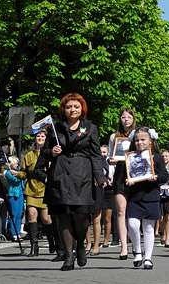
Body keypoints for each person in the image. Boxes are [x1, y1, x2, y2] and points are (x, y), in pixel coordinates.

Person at [35, 93, 108, 271]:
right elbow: (43, 155)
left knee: (81, 216)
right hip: (60, 176)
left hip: (82, 176)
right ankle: (68, 256)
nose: (72, 109)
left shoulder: (90, 128)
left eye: (76, 106)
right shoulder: (55, 128)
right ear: (64, 109)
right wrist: (52, 152)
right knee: (63, 217)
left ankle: (81, 245)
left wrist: (101, 177)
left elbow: (96, 155)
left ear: (82, 108)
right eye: (68, 107)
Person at [125, 127, 168, 269]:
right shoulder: (129, 157)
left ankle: (148, 257)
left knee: (149, 227)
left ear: (150, 141)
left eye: (143, 139)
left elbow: (164, 176)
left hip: (151, 195)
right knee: (132, 224)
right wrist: (128, 181)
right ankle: (137, 251)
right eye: (137, 140)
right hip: (134, 196)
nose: (139, 142)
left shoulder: (157, 157)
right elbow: (122, 176)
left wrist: (155, 178)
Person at [19, 131, 56, 257]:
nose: (40, 138)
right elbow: (24, 172)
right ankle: (34, 247)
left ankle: (52, 241)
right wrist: (17, 174)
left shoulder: (50, 153)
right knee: (31, 216)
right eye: (38, 136)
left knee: (46, 218)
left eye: (43, 136)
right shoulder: (29, 155)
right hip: (31, 189)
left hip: (45, 189)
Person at [107, 108, 136, 260]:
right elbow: (110, 156)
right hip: (119, 174)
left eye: (128, 117)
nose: (125, 120)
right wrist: (111, 160)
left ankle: (135, 244)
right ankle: (124, 246)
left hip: (134, 174)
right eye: (123, 117)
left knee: (134, 211)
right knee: (121, 211)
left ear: (133, 119)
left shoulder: (137, 135)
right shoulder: (114, 137)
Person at [4, 157, 25, 241]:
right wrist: (20, 175)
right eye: (16, 163)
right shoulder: (8, 173)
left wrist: (19, 174)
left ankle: (18, 232)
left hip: (20, 193)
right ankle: (13, 233)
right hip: (13, 194)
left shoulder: (18, 171)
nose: (17, 165)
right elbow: (16, 180)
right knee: (13, 214)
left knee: (19, 214)